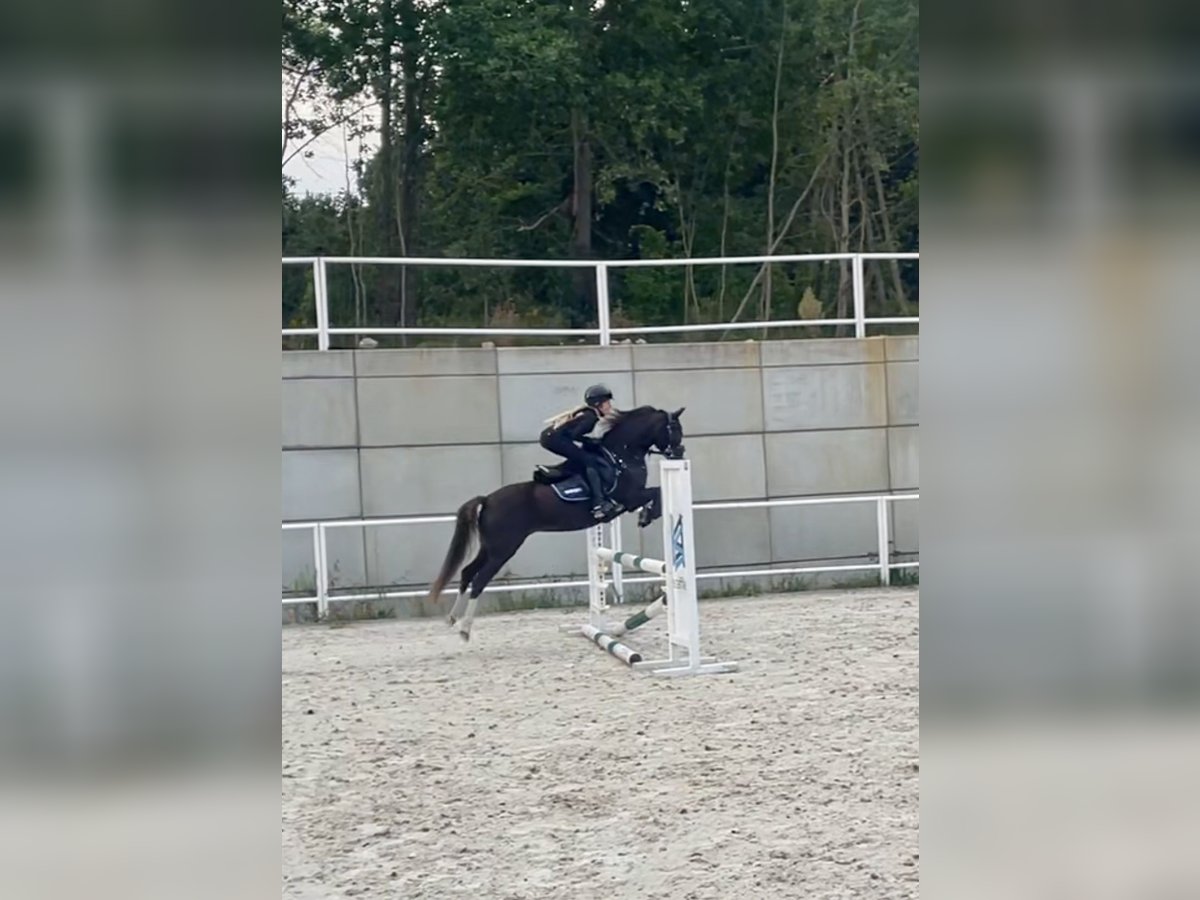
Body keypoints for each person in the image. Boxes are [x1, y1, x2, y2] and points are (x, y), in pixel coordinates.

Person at [539, 384, 619, 519]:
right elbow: (574, 435)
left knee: (581, 456)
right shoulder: (591, 417)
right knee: (590, 461)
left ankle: (562, 472)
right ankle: (598, 503)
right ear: (598, 404)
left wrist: (589, 441)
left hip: (550, 438)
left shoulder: (588, 413)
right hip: (554, 440)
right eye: (607, 403)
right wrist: (590, 441)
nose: (610, 406)